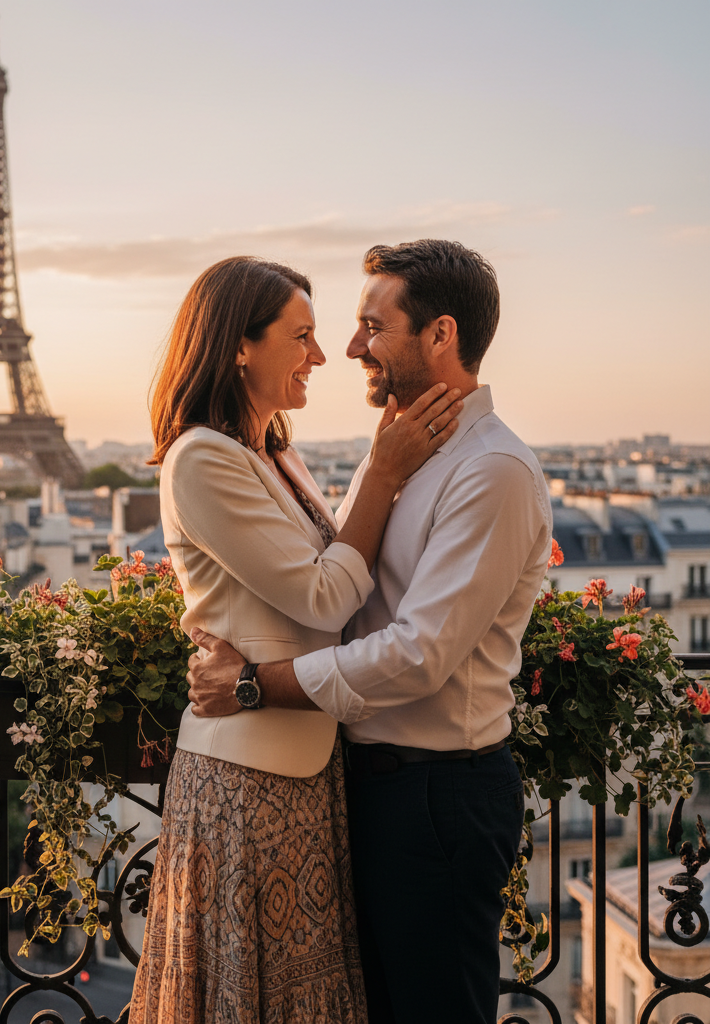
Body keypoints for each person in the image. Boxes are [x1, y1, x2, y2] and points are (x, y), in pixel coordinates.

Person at [186, 240, 553, 1024]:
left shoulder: (491, 472)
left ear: (440, 335)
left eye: (369, 326)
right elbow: (341, 593)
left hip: (434, 795)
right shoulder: (401, 452)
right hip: (367, 786)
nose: (348, 348)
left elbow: (418, 654)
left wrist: (255, 683)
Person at [130, 255, 462, 1023]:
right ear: (239, 345)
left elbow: (336, 573)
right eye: (302, 336)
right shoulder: (203, 458)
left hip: (302, 765)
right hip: (246, 775)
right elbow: (322, 599)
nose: (321, 355)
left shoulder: (272, 451)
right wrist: (382, 473)